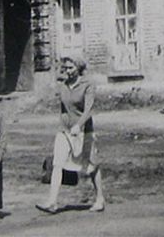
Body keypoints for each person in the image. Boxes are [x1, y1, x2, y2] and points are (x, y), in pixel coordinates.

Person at [37, 56, 105, 214]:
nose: (67, 71)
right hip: (64, 131)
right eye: (65, 68)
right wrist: (63, 124)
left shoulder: (87, 85)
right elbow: (63, 109)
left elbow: (89, 110)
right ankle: (52, 202)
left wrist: (78, 125)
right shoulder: (63, 86)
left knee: (91, 166)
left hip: (84, 131)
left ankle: (100, 198)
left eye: (70, 68)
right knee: (57, 163)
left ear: (78, 68)